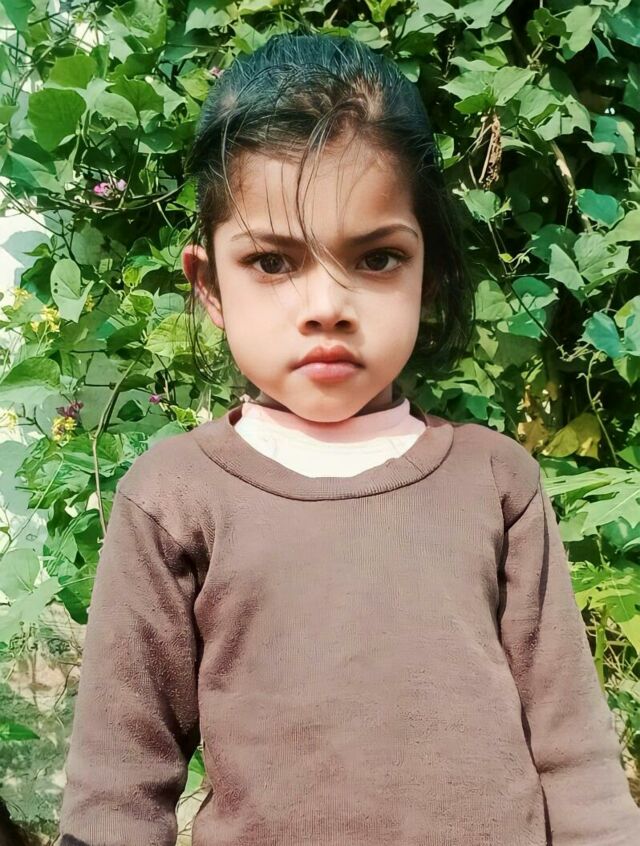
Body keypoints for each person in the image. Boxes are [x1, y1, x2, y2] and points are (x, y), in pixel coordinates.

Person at [58, 31, 640, 846]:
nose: (326, 306)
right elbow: (119, 784)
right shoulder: (174, 497)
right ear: (209, 285)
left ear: (429, 274)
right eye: (272, 263)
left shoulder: (496, 481)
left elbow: (574, 754)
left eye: (376, 259)